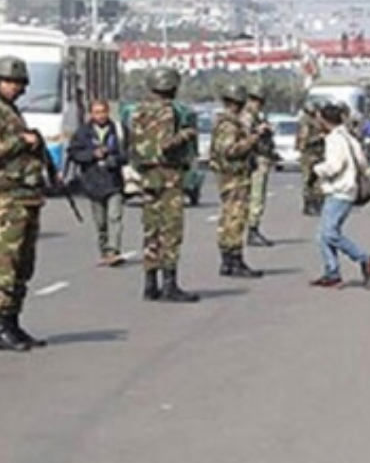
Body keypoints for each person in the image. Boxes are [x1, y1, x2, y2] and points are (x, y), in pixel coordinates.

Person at [0, 56, 50, 352]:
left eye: (18, 82)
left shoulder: (11, 113)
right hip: (6, 200)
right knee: (5, 266)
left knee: (22, 266)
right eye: (8, 81)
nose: (14, 87)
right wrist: (22, 141)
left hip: (25, 197)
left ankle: (13, 323)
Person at [128, 66, 199, 303]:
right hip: (169, 175)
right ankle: (169, 285)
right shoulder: (173, 112)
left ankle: (150, 283)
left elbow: (133, 145)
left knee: (151, 230)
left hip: (148, 175)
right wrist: (187, 134)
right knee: (171, 230)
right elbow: (167, 145)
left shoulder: (137, 111)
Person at [310, 102, 370, 289]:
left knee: (329, 234)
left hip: (340, 190)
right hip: (348, 189)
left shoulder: (334, 139)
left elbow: (334, 166)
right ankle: (332, 273)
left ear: (325, 120)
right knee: (323, 235)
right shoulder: (349, 137)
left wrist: (317, 169)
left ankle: (364, 258)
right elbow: (363, 163)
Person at [211, 83, 266, 278]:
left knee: (229, 218)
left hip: (231, 175)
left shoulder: (226, 122)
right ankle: (234, 260)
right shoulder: (229, 124)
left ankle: (228, 260)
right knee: (235, 218)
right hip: (234, 177)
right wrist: (252, 139)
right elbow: (230, 151)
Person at [68, 99, 129, 267]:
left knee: (114, 217)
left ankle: (113, 251)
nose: (100, 115)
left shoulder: (119, 130)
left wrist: (115, 159)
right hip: (93, 182)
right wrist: (92, 155)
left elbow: (129, 153)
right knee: (100, 222)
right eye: (96, 112)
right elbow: (74, 153)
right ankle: (104, 250)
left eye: (103, 111)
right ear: (91, 114)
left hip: (114, 181)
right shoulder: (83, 132)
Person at [244, 87, 277, 248]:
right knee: (256, 196)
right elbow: (245, 136)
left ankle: (253, 227)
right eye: (256, 100)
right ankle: (252, 229)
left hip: (260, 158)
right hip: (254, 160)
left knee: (257, 195)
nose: (258, 104)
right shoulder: (247, 117)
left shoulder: (256, 116)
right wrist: (258, 131)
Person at [297, 98, 327, 216]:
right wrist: (319, 137)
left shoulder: (317, 120)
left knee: (318, 181)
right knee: (308, 180)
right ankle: (308, 204)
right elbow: (304, 141)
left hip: (318, 154)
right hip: (309, 154)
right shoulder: (306, 122)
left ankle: (316, 203)